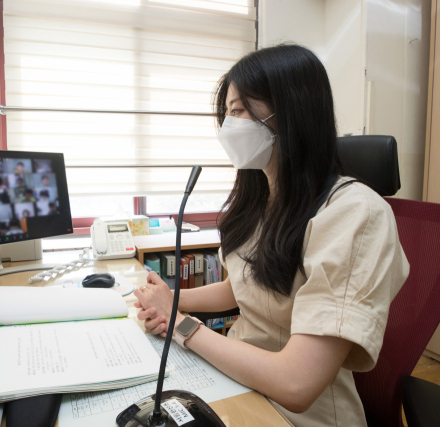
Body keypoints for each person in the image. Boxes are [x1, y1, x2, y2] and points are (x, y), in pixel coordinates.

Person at [132, 44, 409, 427]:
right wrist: (167, 299)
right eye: (227, 112)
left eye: (239, 110)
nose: (230, 125)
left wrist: (179, 323)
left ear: (291, 111)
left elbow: (297, 383)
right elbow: (244, 288)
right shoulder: (263, 201)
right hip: (235, 380)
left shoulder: (355, 214)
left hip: (295, 414)